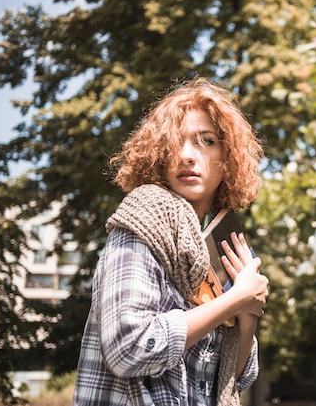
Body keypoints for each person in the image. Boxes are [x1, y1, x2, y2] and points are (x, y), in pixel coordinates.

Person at [73, 77, 269, 406]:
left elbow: (232, 378)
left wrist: (248, 312)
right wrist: (234, 301)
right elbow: (128, 348)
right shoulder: (142, 220)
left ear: (228, 157)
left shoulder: (229, 244)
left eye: (206, 141)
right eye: (175, 143)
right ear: (159, 155)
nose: (187, 155)